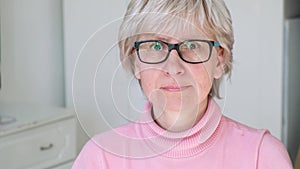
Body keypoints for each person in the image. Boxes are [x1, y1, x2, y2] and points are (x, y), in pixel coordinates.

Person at [72, 0, 293, 168]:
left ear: (219, 59)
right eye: (156, 46)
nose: (174, 67)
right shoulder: (99, 158)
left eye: (193, 45)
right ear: (135, 60)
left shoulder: (263, 156)